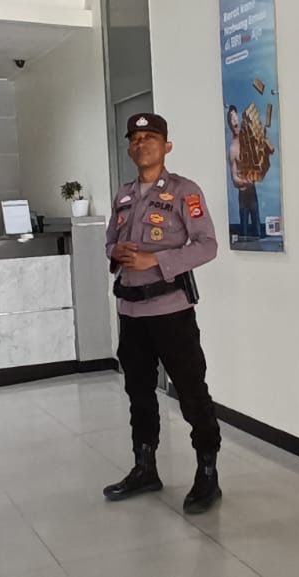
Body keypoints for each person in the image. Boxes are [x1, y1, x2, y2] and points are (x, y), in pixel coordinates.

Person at [103, 113, 223, 514]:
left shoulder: (184, 191)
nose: (141, 144)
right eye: (135, 139)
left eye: (150, 138)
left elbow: (207, 245)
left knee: (191, 392)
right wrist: (116, 252)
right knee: (138, 393)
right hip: (131, 313)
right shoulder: (123, 195)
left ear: (166, 146)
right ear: (129, 148)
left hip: (171, 312)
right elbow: (110, 242)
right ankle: (145, 468)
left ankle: (207, 473)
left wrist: (156, 261)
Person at [226, 105, 274, 240]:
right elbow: (234, 178)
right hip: (242, 194)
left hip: (253, 192)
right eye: (231, 118)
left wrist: (266, 144)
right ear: (229, 124)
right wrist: (244, 181)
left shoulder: (249, 136)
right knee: (244, 233)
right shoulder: (233, 149)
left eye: (235, 116)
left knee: (257, 230)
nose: (234, 120)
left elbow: (267, 149)